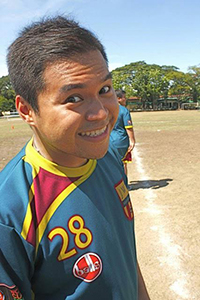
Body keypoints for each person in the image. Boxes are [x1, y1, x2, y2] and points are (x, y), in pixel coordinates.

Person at [0, 16, 150, 300]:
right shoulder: (11, 212)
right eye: (74, 99)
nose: (101, 113)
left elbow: (124, 255)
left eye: (104, 90)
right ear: (26, 110)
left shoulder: (106, 158)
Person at [110, 90, 136, 176]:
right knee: (123, 163)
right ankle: (124, 184)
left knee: (111, 164)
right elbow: (128, 127)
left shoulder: (107, 109)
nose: (125, 99)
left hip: (108, 141)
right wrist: (132, 140)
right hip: (120, 141)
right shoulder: (124, 110)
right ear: (118, 99)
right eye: (124, 97)